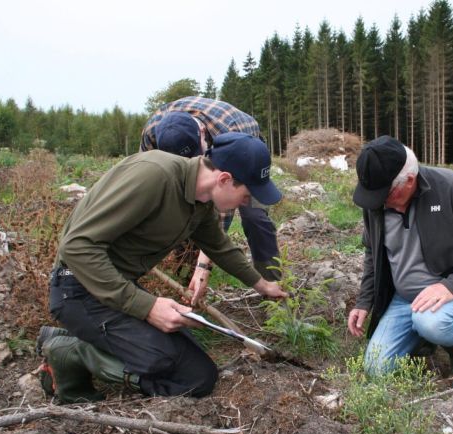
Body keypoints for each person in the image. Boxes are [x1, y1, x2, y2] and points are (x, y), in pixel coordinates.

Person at [37, 132, 287, 404]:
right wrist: (147, 307)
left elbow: (219, 246)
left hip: (115, 288)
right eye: (247, 194)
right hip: (77, 290)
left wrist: (262, 284)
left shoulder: (199, 201)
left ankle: (71, 336)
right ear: (224, 179)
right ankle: (70, 352)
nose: (246, 203)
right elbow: (76, 247)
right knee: (180, 374)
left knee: (199, 373)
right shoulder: (154, 176)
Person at [347, 136, 453, 386]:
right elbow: (372, 254)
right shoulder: (376, 202)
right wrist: (364, 301)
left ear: (409, 181)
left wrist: (449, 286)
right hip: (404, 298)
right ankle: (423, 337)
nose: (376, 202)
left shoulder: (452, 188)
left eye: (383, 194)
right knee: (376, 369)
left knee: (432, 322)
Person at [140, 97, 281, 307]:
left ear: (203, 135)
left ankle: (272, 289)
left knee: (255, 217)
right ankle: (185, 284)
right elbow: (150, 178)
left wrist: (203, 267)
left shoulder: (231, 133)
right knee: (184, 207)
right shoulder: (153, 132)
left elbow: (219, 218)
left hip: (247, 154)